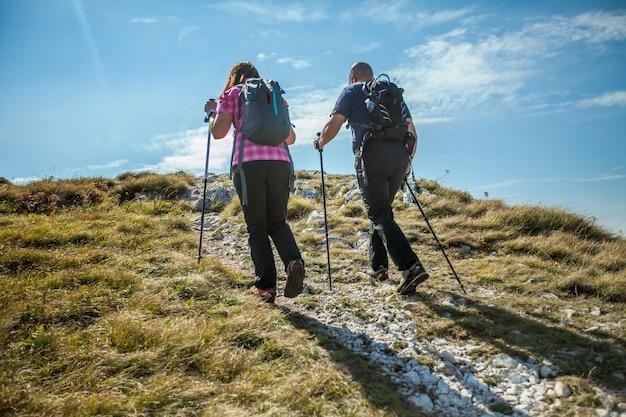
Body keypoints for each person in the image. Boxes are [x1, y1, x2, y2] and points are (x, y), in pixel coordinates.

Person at [314, 62, 429, 295]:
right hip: (398, 156)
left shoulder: (351, 90)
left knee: (378, 212)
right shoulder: (390, 92)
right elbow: (412, 132)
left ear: (353, 77)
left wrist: (320, 141)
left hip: (371, 154)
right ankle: (378, 268)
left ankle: (410, 267)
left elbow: (335, 123)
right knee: (381, 210)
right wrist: (407, 163)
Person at [205, 61, 305, 303]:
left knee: (257, 226)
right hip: (281, 162)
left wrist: (211, 114)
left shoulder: (232, 94)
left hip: (248, 163)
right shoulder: (274, 94)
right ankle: (293, 262)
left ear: (234, 77)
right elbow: (290, 137)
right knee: (278, 222)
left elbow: (218, 132)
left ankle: (266, 286)